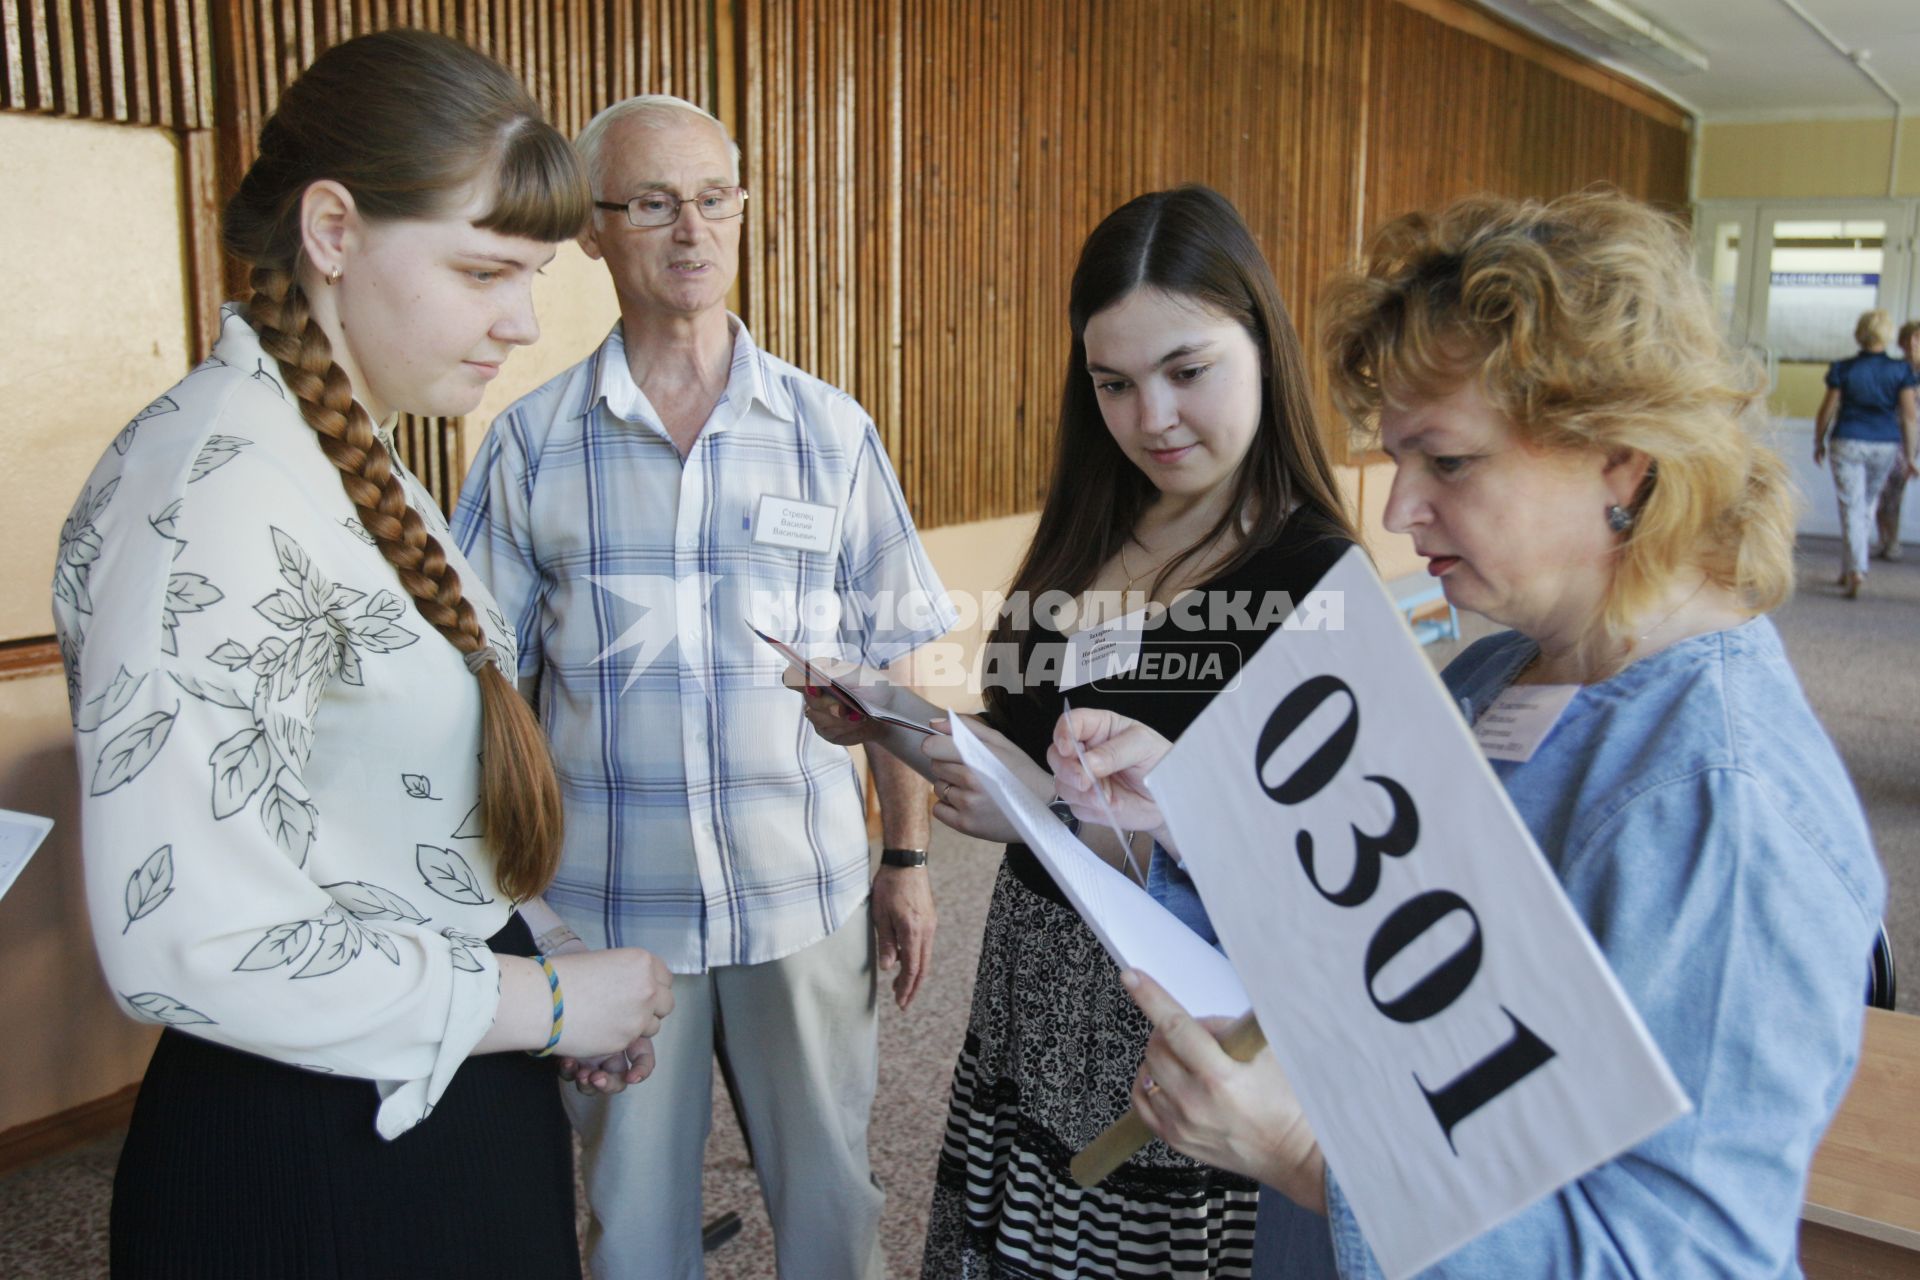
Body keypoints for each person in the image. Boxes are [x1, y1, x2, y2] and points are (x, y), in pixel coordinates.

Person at [1051, 191, 1886, 1278]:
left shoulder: (1720, 806)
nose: (1399, 512)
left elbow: (1679, 1260)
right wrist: (1204, 819)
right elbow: (1360, 930)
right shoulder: (1498, 668)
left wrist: (1310, 1156)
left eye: (1446, 462)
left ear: (1621, 461)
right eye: (1399, 459)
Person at [52, 30, 675, 1277]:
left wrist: (540, 950)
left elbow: (390, 806)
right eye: (487, 270)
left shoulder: (340, 450)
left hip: (427, 1081)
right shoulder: (218, 488)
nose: (521, 322)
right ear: (333, 230)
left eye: (535, 274)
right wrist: (544, 1003)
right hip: (313, 1152)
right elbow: (187, 927)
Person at [797, 184, 1358, 1278]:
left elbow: (1317, 877)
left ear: (1262, 345)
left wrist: (1065, 812)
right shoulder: (1092, 533)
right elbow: (1023, 748)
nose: (1152, 417)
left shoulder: (1314, 576)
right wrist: (891, 719)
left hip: (1172, 1022)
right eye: (1115, 383)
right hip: (1035, 977)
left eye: (1187, 371)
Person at [452, 93, 953, 1280]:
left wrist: (910, 860)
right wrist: (528, 919)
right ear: (592, 229)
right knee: (632, 1228)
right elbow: (487, 697)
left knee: (838, 1205)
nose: (693, 230)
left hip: (805, 895)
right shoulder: (531, 444)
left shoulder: (829, 432)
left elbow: (893, 659)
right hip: (615, 912)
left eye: (716, 198)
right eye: (655, 203)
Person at [1813, 307, 1918, 596]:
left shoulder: (1844, 368)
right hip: (1885, 444)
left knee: (1851, 506)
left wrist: (1818, 441)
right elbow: (1910, 417)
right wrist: (1909, 456)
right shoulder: (1901, 371)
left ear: (1859, 333)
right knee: (1866, 505)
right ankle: (1851, 567)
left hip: (1847, 440)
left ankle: (1856, 568)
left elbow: (1827, 411)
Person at [1872, 319, 1920, 560]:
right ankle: (1886, 539)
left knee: (1894, 490)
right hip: (1889, 435)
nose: (1913, 344)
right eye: (1909, 339)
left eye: (1918, 339)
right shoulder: (1893, 368)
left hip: (1912, 437)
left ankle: (1892, 540)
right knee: (1884, 490)